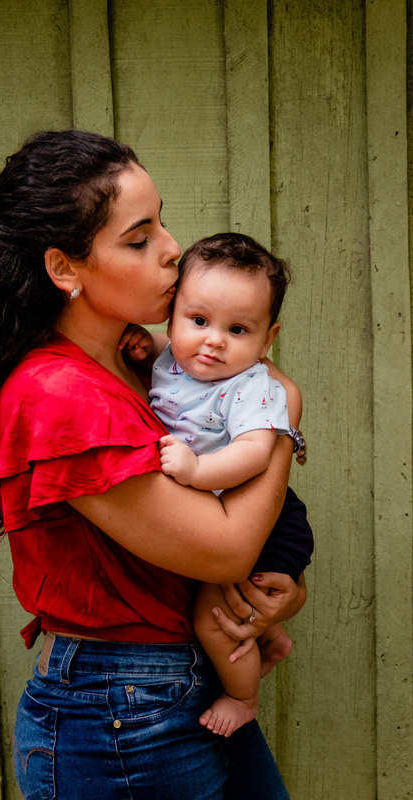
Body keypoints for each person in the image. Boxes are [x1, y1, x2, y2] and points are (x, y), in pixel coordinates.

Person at [0, 129, 306, 799]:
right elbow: (222, 549)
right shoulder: (59, 395)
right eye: (138, 239)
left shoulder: (141, 366)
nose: (170, 251)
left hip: (168, 688)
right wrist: (282, 416)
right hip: (119, 712)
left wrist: (276, 592)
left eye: (163, 222)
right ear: (64, 268)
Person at [126, 232, 313, 737]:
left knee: (212, 616)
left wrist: (196, 472)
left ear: (267, 339)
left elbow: (254, 455)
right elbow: (167, 353)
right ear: (174, 317)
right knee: (234, 606)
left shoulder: (253, 387)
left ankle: (241, 696)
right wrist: (145, 350)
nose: (213, 340)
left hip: (272, 521)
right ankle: (268, 638)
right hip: (224, 503)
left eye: (237, 329)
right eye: (199, 321)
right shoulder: (175, 357)